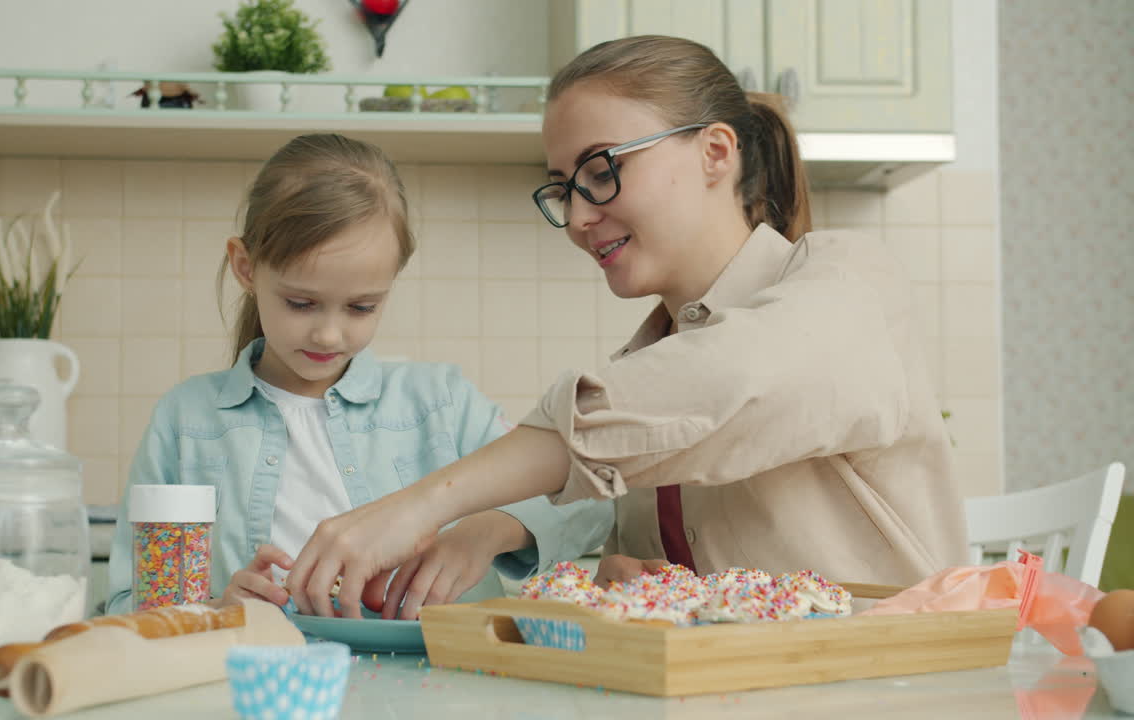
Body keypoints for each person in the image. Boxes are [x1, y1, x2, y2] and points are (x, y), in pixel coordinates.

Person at [284, 36, 968, 620]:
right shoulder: (646, 362)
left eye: (602, 170)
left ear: (715, 153)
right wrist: (631, 586)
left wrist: (422, 505)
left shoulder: (849, 286)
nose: (580, 218)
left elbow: (727, 382)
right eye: (563, 188)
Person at [106, 134, 612, 618]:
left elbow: (592, 502)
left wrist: (484, 532)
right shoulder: (187, 421)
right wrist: (216, 611)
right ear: (245, 267)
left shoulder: (438, 405)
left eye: (361, 306)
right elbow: (130, 604)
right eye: (300, 303)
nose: (329, 334)